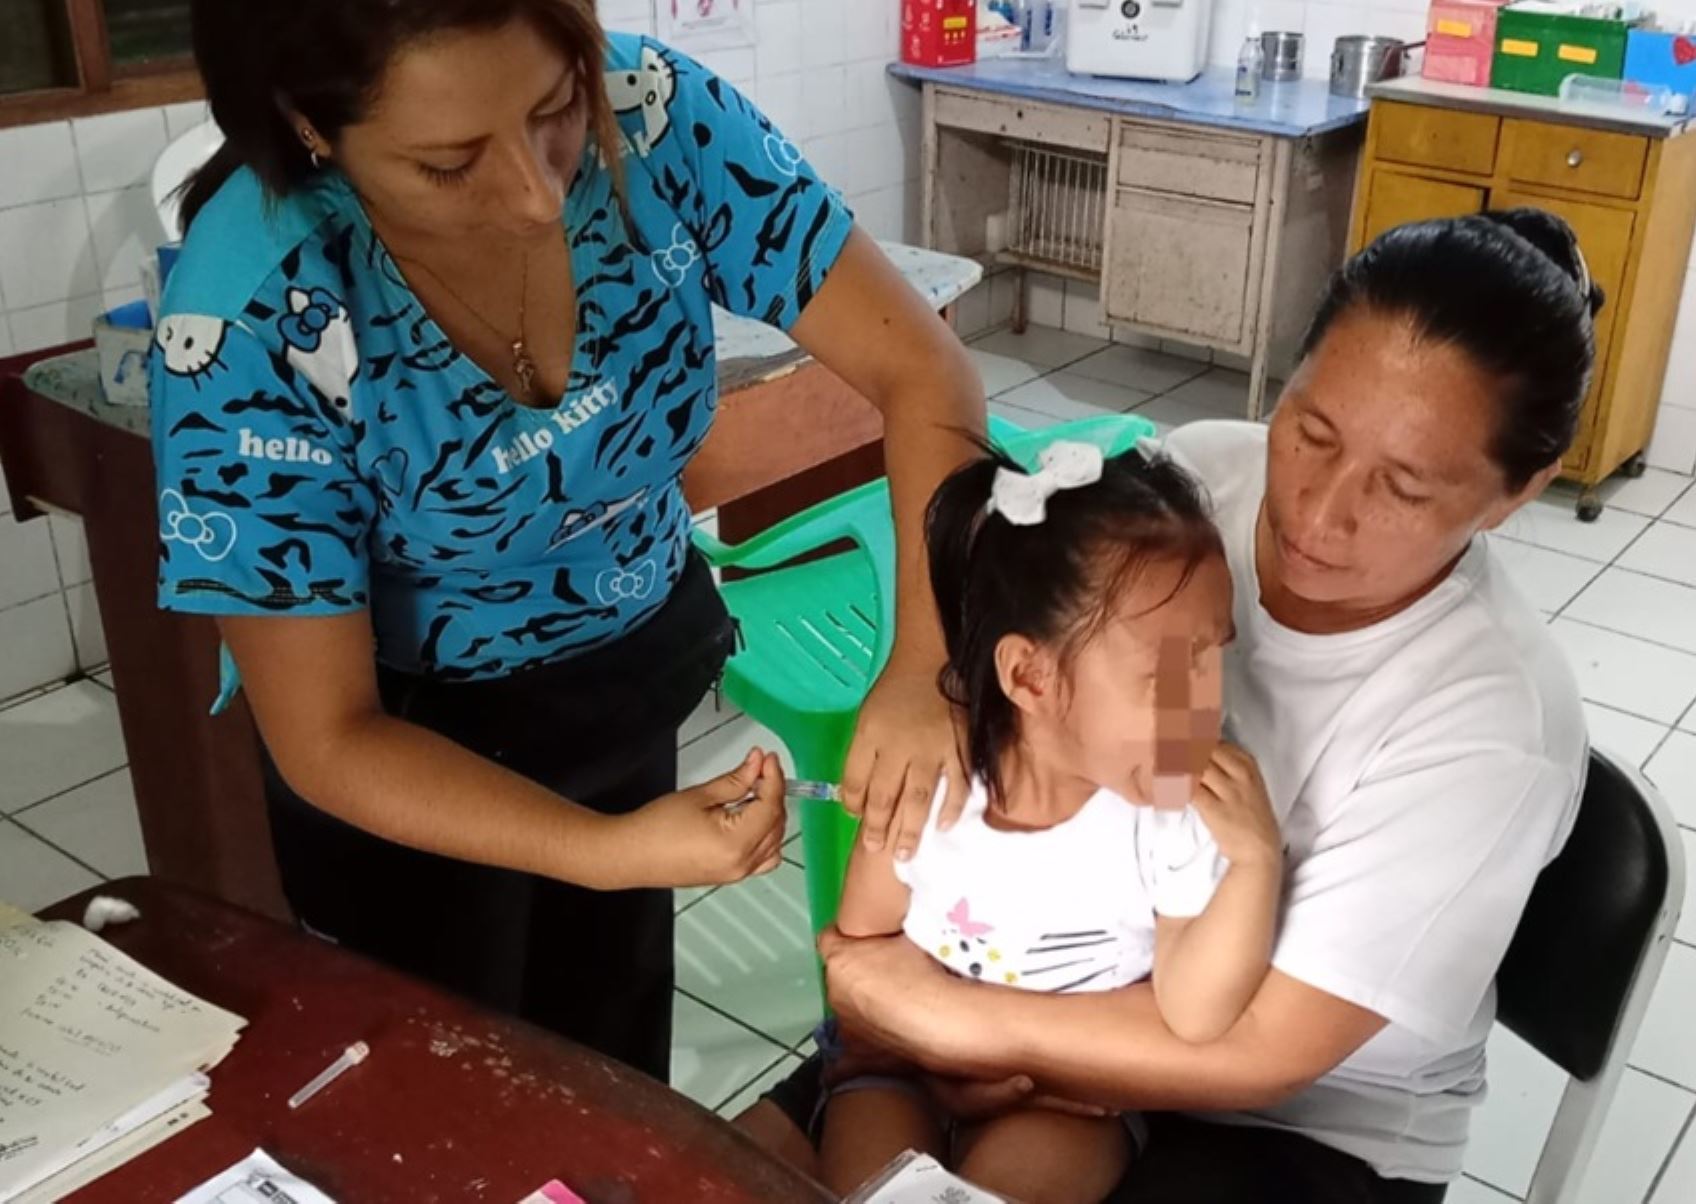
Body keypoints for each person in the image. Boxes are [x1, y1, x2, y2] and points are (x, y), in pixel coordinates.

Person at [150, 0, 981, 1082]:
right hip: (412, 759)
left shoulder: (652, 116)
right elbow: (330, 738)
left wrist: (925, 663)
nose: (538, 195)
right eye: (449, 164)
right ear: (311, 125)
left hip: (622, 681)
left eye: (554, 108)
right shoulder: (252, 317)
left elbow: (924, 369)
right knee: (451, 1104)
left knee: (614, 1074)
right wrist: (601, 850)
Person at [740, 208, 1599, 1202]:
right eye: (1311, 431)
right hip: (1018, 975)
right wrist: (938, 687)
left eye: (1403, 488)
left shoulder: (1493, 728)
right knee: (707, 1167)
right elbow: (1032, 617)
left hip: (1288, 1122)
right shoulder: (1198, 482)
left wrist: (950, 1022)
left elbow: (1264, 1050)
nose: (1319, 514)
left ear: (1517, 492)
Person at [816, 440, 1284, 1203]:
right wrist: (943, 1068)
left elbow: (1196, 1014)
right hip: (904, 1069)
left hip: (1065, 1099)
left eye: (1211, 660)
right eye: (1166, 673)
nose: (1202, 708)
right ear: (1029, 676)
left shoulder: (1173, 816)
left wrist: (1256, 865)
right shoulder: (934, 782)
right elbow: (859, 954)